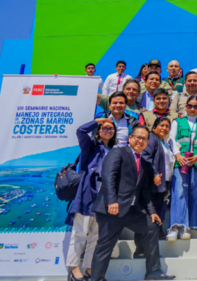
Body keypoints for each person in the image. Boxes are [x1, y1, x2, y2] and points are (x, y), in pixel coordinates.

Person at [88, 126, 172, 281]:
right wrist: (111, 201)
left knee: (152, 226)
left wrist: (152, 212)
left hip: (131, 210)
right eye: (138, 137)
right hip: (110, 210)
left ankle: (153, 272)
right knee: (104, 246)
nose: (141, 141)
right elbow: (108, 177)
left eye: (144, 139)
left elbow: (144, 191)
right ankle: (97, 279)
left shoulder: (145, 162)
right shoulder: (117, 152)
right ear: (130, 138)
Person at [66, 118, 116, 280]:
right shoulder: (91, 145)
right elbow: (80, 131)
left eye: (111, 128)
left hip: (105, 195)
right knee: (80, 233)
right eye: (104, 128)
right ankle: (74, 269)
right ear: (98, 131)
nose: (108, 131)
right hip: (88, 193)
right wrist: (98, 120)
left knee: (96, 235)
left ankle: (89, 269)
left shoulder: (115, 150)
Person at [134, 117, 175, 256]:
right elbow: (146, 156)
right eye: (161, 125)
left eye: (167, 126)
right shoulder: (152, 139)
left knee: (155, 218)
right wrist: (154, 174)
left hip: (161, 186)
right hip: (152, 186)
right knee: (148, 219)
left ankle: (149, 250)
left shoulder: (164, 142)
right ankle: (140, 250)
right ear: (154, 127)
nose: (164, 128)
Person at [166, 95, 197, 241]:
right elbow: (171, 138)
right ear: (186, 107)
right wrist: (177, 155)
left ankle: (188, 226)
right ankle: (175, 226)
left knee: (194, 193)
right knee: (179, 192)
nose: (193, 109)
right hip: (181, 161)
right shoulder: (177, 121)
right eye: (190, 106)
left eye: (196, 106)